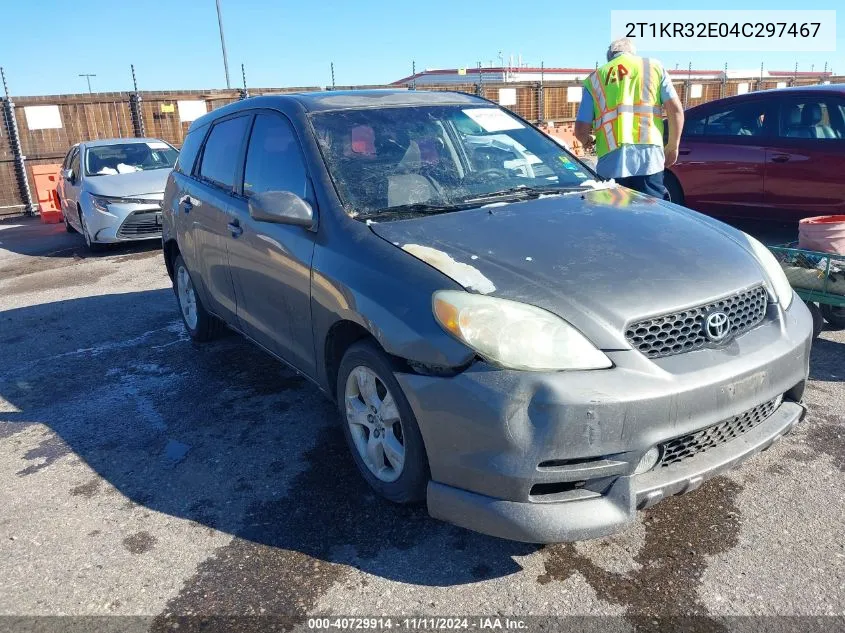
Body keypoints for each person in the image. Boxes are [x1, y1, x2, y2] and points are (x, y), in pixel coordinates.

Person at [574, 38, 684, 199]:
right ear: (632, 52)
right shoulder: (653, 67)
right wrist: (672, 146)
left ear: (609, 56)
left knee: (617, 220)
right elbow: (675, 110)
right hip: (649, 159)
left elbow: (580, 130)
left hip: (610, 164)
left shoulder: (594, 79)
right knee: (651, 218)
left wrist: (588, 140)